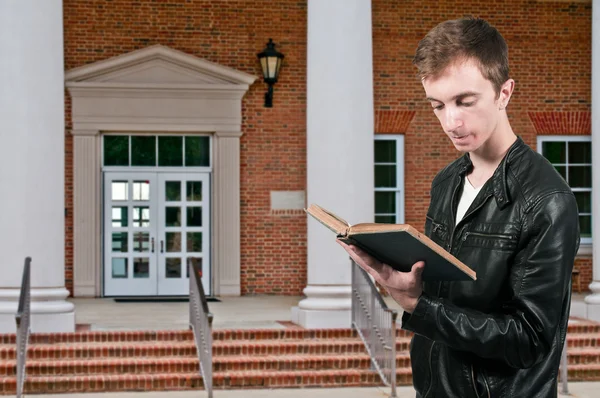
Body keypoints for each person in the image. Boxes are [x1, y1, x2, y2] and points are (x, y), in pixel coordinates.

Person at [338, 17, 580, 397]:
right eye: (437, 105)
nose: (451, 121)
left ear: (504, 92)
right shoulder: (446, 182)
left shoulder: (547, 200)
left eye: (465, 101)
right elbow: (445, 295)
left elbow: (529, 340)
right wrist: (408, 285)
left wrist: (420, 306)